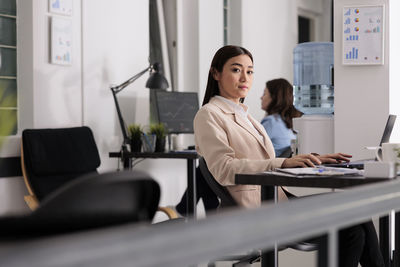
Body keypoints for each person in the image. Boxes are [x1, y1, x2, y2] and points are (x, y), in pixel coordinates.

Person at [193, 45, 384, 267]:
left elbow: (262, 160)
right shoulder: (208, 115)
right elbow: (224, 169)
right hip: (256, 213)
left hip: (277, 202)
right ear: (216, 73)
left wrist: (315, 159)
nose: (245, 77)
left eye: (250, 71)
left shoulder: (245, 115)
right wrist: (283, 162)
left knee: (355, 212)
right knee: (351, 229)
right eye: (236, 70)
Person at [260, 78, 302, 157]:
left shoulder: (271, 122)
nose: (261, 97)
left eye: (264, 94)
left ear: (274, 98)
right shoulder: (290, 123)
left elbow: (252, 148)